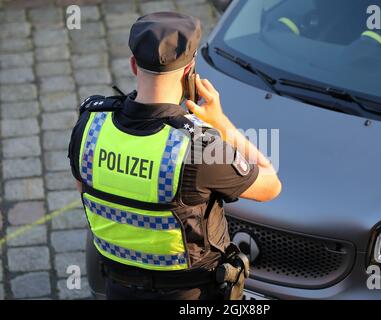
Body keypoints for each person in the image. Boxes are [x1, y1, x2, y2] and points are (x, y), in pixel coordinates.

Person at [68, 12, 281, 300]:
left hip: (118, 288)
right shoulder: (200, 147)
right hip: (193, 294)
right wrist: (221, 123)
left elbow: (87, 196)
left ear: (133, 65)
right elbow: (271, 185)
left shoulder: (89, 126)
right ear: (189, 71)